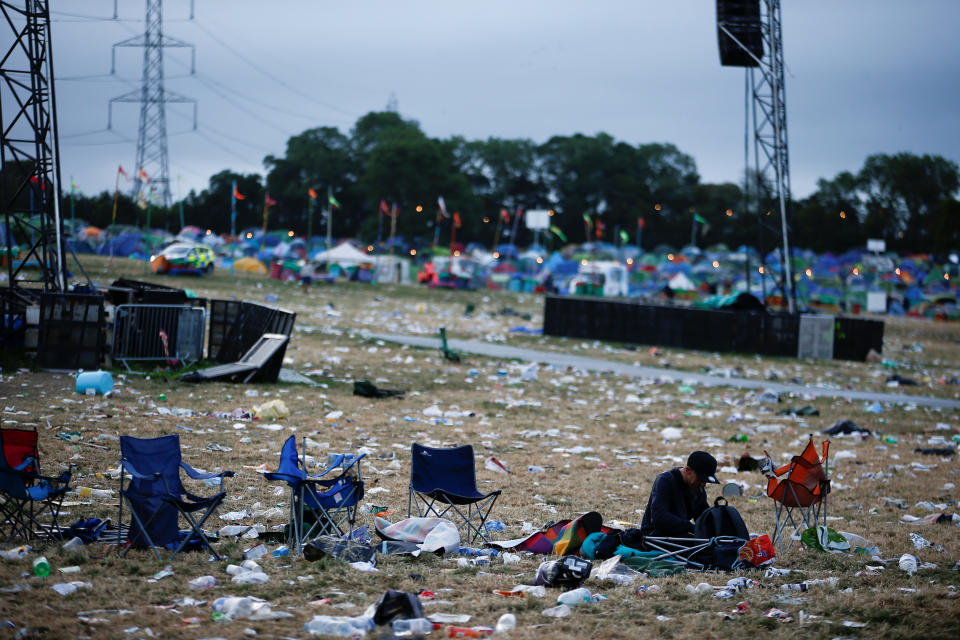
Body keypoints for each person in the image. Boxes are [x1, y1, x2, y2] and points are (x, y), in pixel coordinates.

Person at [638, 451, 720, 538]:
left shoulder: (697, 487)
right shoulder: (665, 481)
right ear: (687, 470)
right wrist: (689, 527)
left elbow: (702, 515)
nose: (703, 484)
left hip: (678, 534)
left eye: (705, 481)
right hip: (654, 534)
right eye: (700, 479)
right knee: (700, 547)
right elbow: (659, 518)